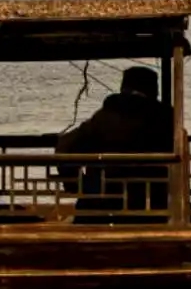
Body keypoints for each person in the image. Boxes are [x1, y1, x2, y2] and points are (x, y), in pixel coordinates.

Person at [54, 66, 176, 213]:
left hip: (103, 202)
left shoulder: (103, 117)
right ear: (154, 89)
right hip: (153, 202)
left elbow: (65, 146)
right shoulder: (166, 118)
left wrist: (77, 183)